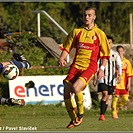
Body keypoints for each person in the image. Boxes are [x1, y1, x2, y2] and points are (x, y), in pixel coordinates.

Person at [58, 6, 110, 129]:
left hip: (89, 67)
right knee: (66, 90)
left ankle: (81, 114)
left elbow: (105, 55)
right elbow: (67, 47)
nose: (86, 17)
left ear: (94, 17)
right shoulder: (76, 31)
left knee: (76, 88)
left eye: (89, 15)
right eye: (85, 15)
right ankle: (73, 119)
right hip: (75, 66)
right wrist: (62, 58)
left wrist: (101, 69)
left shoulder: (99, 34)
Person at [93, 35, 122, 121]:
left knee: (107, 97)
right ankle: (101, 115)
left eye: (109, 43)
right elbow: (96, 65)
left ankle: (102, 114)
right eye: (107, 43)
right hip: (101, 78)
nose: (108, 44)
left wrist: (119, 75)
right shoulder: (100, 53)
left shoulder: (115, 54)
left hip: (111, 79)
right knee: (105, 94)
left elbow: (119, 65)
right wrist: (95, 77)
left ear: (112, 44)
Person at [111, 45, 133, 119]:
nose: (120, 53)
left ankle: (117, 107)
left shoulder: (127, 62)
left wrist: (129, 84)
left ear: (123, 52)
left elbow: (129, 74)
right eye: (118, 51)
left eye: (121, 51)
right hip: (116, 84)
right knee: (115, 99)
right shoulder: (114, 62)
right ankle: (114, 113)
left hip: (124, 84)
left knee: (125, 99)